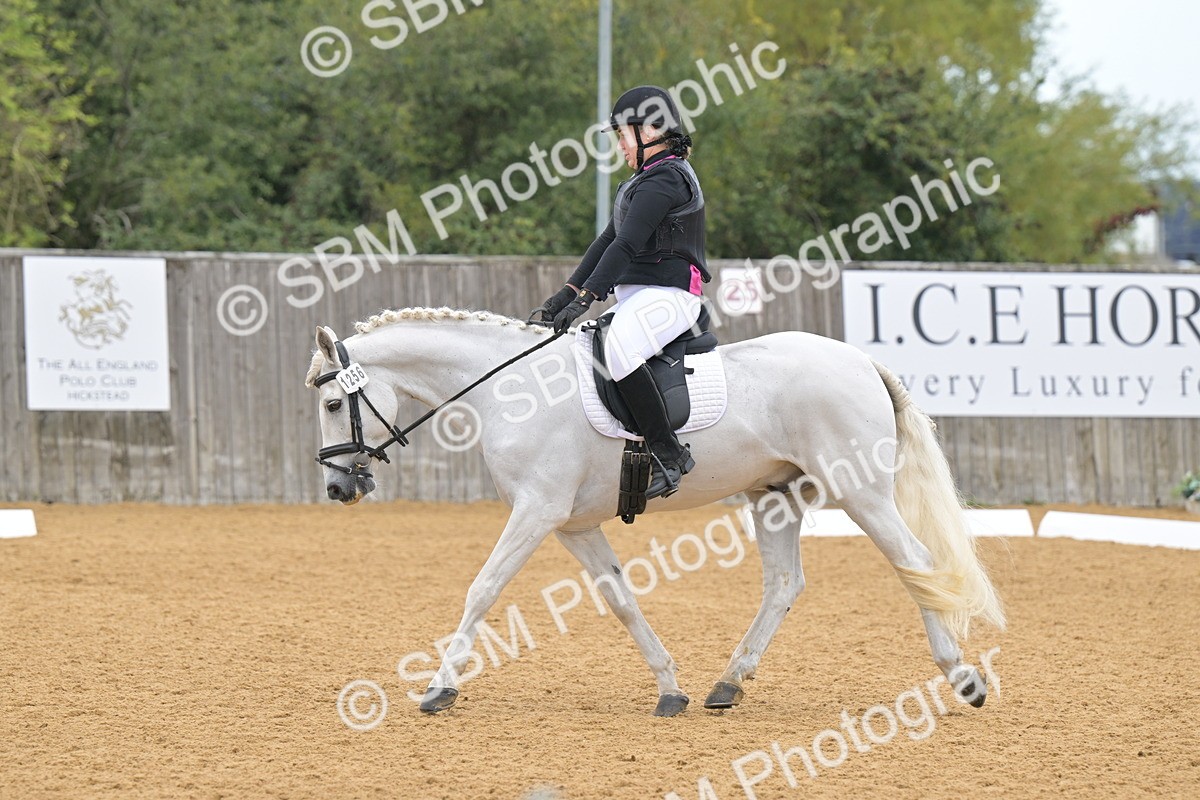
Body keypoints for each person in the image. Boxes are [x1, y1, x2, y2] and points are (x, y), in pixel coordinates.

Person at [534, 85, 711, 499]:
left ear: (649, 130)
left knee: (619, 350)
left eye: (621, 135)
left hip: (671, 295)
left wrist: (587, 300)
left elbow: (627, 246)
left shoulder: (667, 178)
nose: (618, 146)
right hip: (641, 295)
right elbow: (606, 241)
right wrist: (567, 293)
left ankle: (669, 455)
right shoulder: (639, 181)